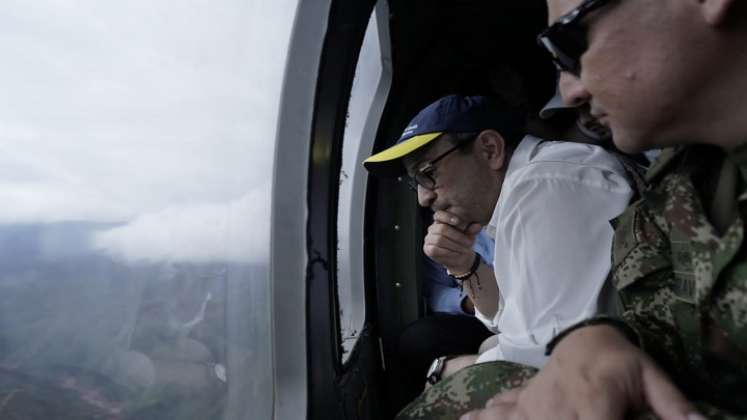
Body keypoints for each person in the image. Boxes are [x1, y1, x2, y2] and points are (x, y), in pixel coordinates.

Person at [461, 0, 747, 419]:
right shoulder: (688, 176)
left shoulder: (552, 182)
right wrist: (597, 340)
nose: (571, 90)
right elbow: (682, 327)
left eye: (571, 40)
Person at [363, 94, 634, 418]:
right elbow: (505, 319)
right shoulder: (517, 199)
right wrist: (464, 265)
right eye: (415, 183)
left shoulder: (544, 187)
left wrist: (449, 369)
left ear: (489, 149)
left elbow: (547, 349)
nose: (424, 198)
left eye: (427, 172)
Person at [393, 226, 495, 412]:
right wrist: (466, 303)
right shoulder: (438, 236)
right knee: (418, 339)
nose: (426, 199)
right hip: (477, 315)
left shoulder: (518, 215)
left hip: (527, 309)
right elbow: (435, 291)